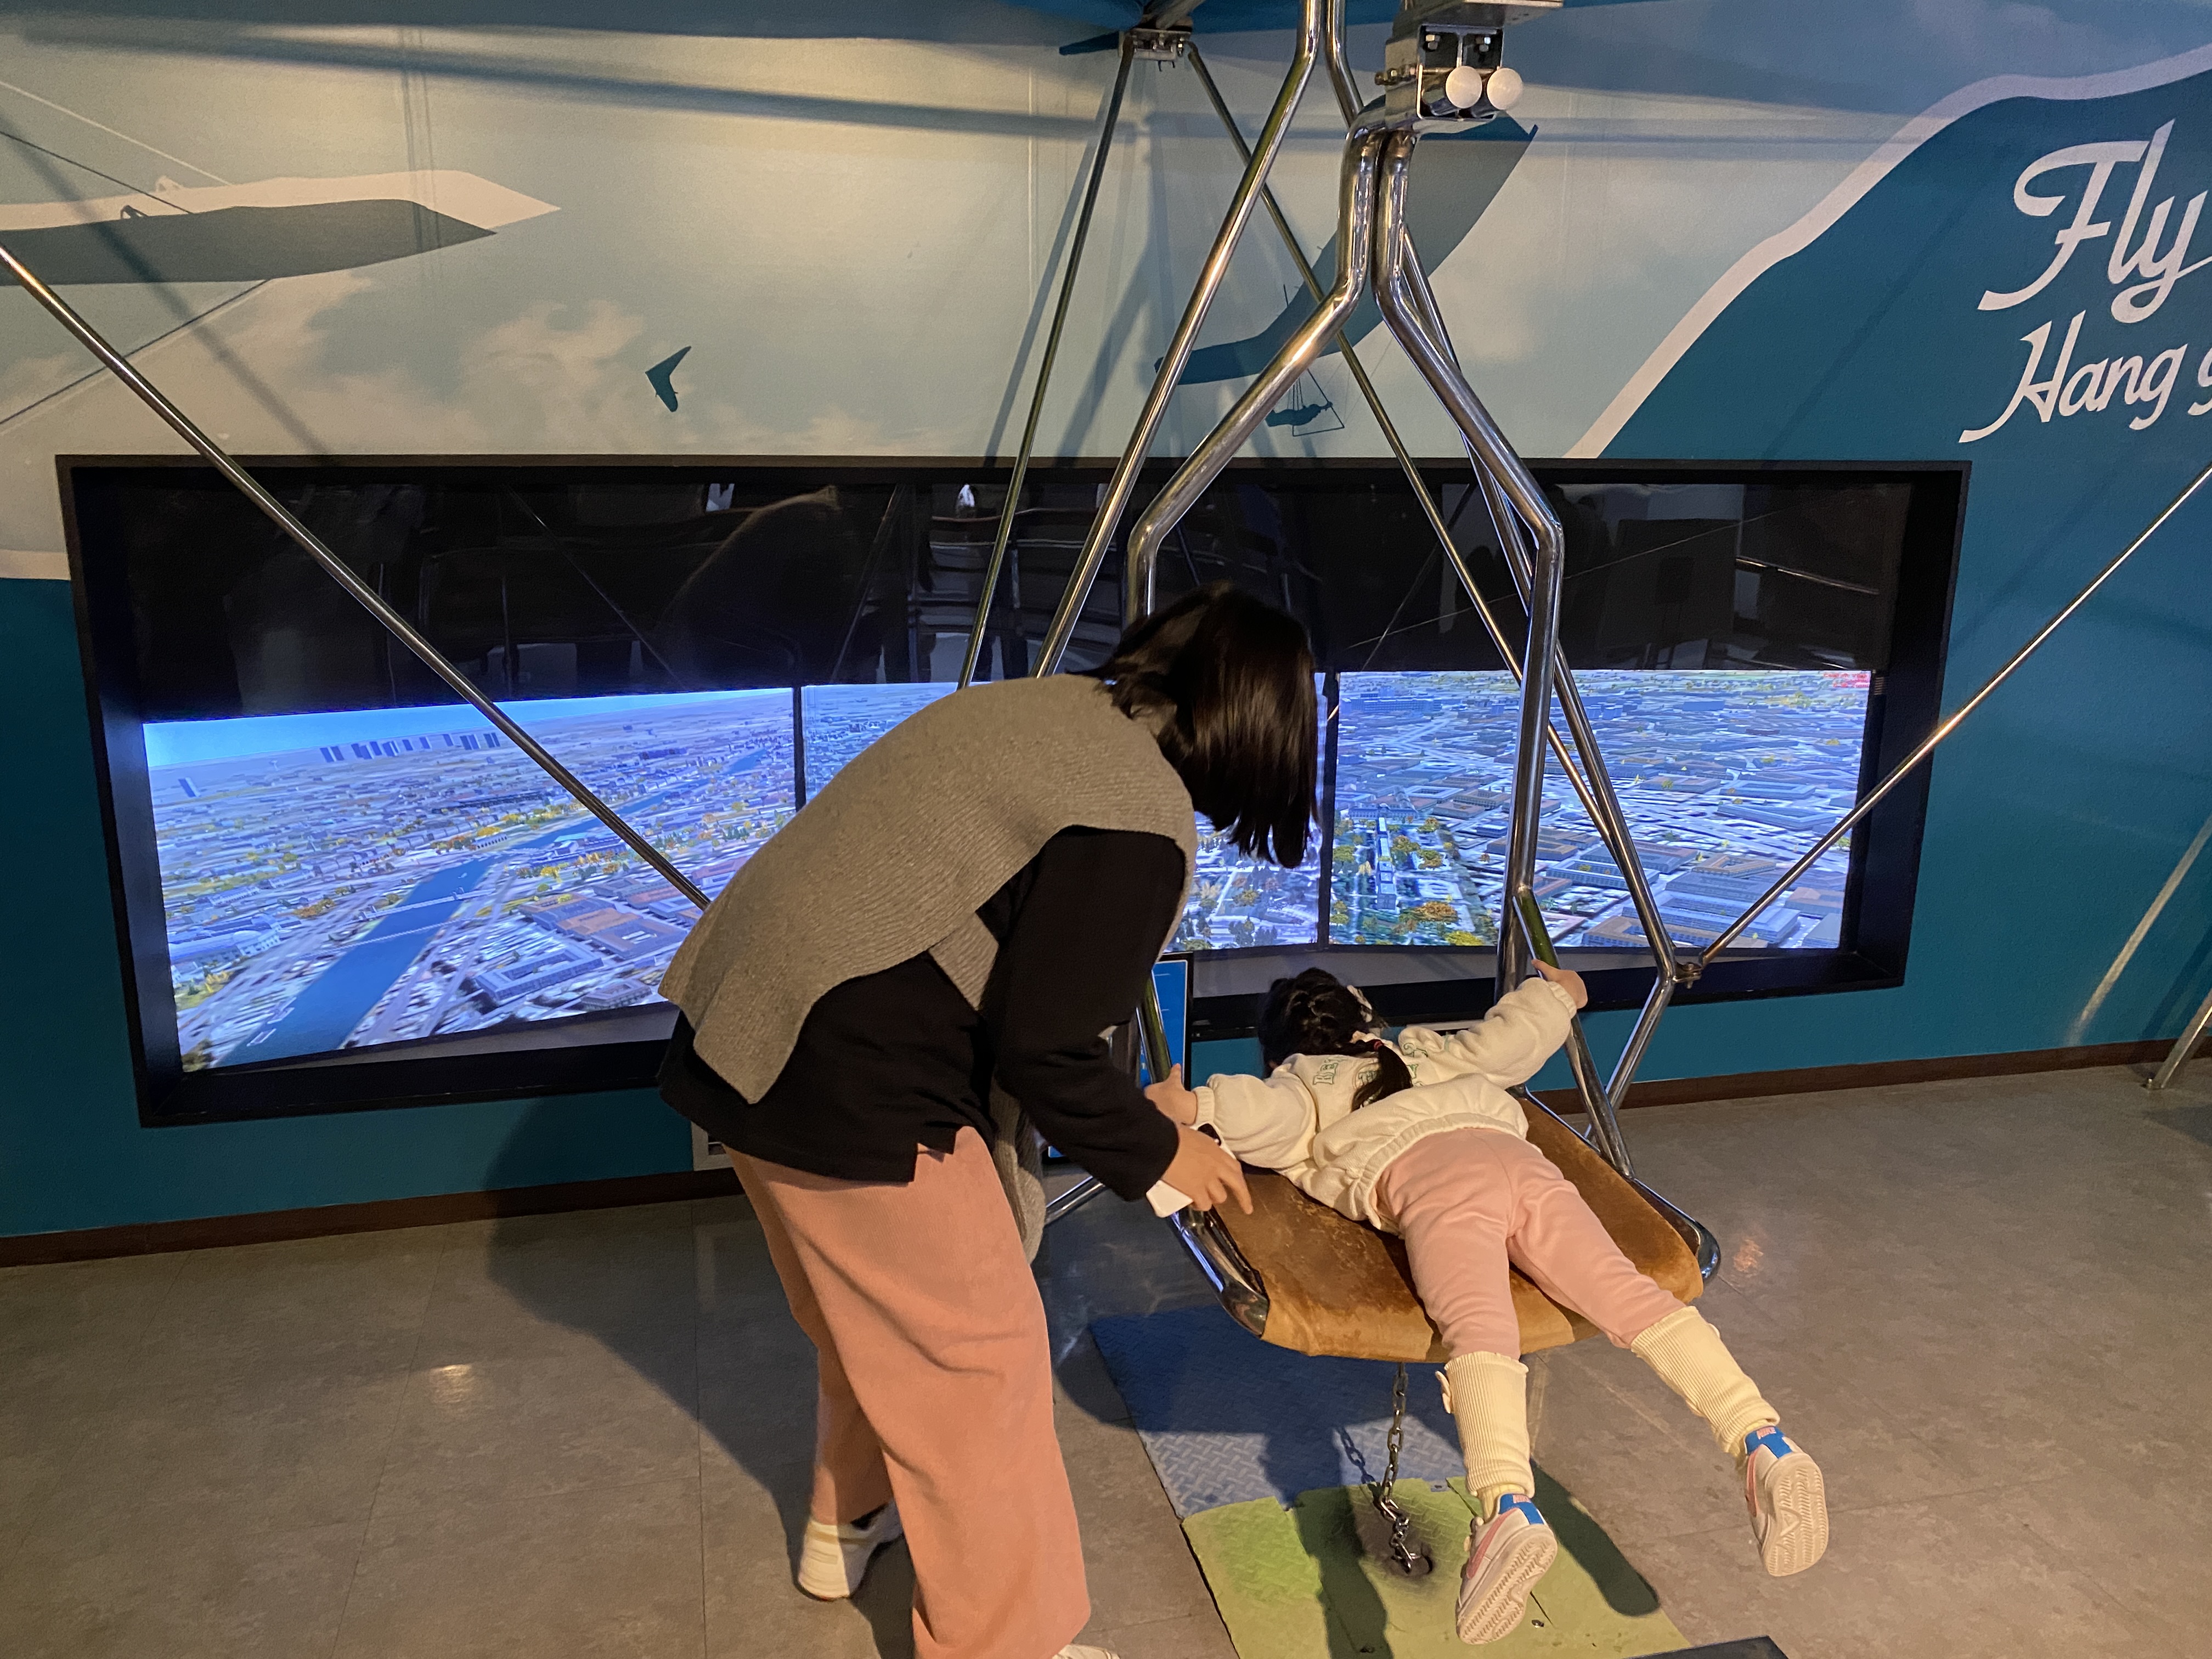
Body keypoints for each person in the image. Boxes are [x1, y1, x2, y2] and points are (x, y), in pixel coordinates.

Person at [656, 582, 1313, 1659]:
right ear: (1260, 727)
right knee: (981, 1360)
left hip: (747, 1029)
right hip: (851, 1070)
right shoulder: (1132, 813)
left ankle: (847, 1521)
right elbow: (1045, 1048)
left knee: (879, 1325)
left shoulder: (1048, 712)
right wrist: (1165, 1152)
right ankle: (1004, 1645)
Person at [1145, 962, 1829, 1646]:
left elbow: (1263, 1114)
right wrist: (1559, 993)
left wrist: (1195, 1106)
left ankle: (1507, 1507)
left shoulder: (1302, 1083)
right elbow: (1510, 1041)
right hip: (1521, 1163)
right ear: (1366, 1020)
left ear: (1279, 1050)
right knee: (1632, 1297)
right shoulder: (1423, 1049)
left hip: (1433, 1181)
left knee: (1481, 1329)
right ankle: (1761, 1440)